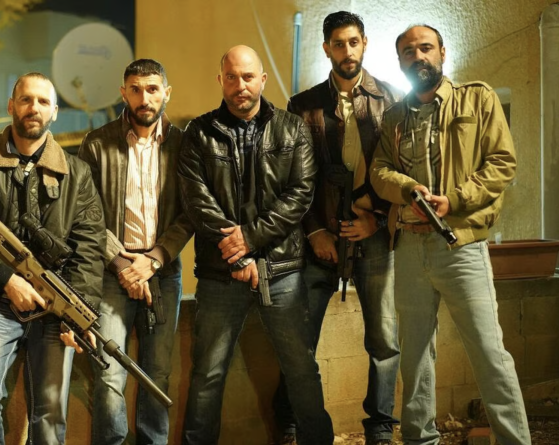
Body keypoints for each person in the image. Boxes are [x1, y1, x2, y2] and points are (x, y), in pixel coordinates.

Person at [370, 25, 531, 444]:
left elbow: (502, 162)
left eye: (425, 48)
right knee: (414, 356)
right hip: (409, 247)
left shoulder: (477, 98)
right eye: (408, 52)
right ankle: (419, 439)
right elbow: (379, 170)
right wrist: (409, 189)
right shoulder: (395, 117)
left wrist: (454, 200)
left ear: (442, 52)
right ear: (400, 61)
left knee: (489, 353)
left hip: (461, 245)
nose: (418, 56)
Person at [0, 72, 106, 445]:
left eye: (43, 101)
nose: (34, 108)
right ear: (11, 106)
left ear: (55, 111)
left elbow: (89, 248)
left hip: (55, 309)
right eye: (26, 99)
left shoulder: (77, 174)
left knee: (51, 414)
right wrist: (6, 280)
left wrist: (77, 313)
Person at [178, 45, 334, 445]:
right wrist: (238, 254)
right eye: (231, 77)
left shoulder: (292, 128)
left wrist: (250, 238)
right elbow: (196, 201)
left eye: (248, 77)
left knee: (301, 369)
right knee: (207, 374)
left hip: (282, 271)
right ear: (221, 80)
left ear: (262, 79)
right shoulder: (198, 132)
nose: (240, 85)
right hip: (220, 273)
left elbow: (300, 193)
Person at [273, 11, 403, 445]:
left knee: (384, 340)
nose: (347, 51)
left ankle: (380, 427)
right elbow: (295, 179)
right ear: (326, 47)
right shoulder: (302, 105)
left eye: (353, 42)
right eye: (338, 43)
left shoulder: (391, 99)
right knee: (299, 341)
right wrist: (315, 232)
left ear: (364, 43)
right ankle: (291, 422)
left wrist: (377, 219)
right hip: (320, 239)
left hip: (375, 236)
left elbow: (402, 171)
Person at [77, 59, 192, 445]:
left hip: (163, 270)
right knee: (109, 371)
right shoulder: (97, 143)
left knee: (157, 373)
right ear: (123, 93)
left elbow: (191, 212)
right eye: (136, 89)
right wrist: (122, 263)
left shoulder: (183, 145)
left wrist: (154, 259)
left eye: (153, 89)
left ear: (166, 93)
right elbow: (86, 213)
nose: (145, 98)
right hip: (113, 271)